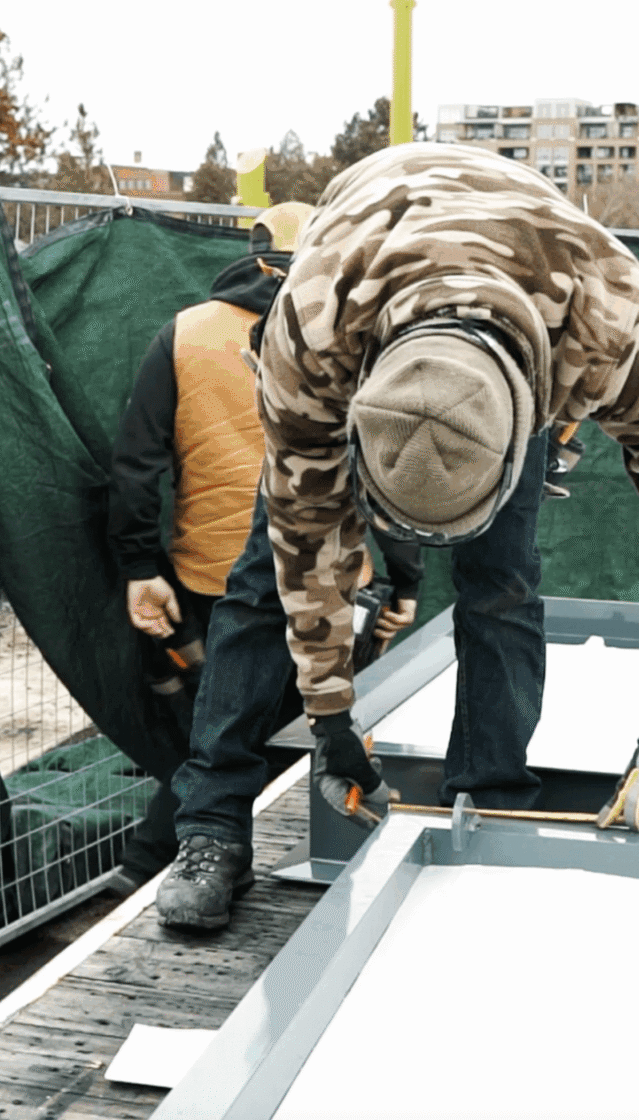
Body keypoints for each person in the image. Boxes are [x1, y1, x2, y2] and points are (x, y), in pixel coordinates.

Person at [155, 143, 639, 930]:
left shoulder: (609, 323)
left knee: (501, 582)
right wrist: (333, 721)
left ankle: (491, 798)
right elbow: (309, 548)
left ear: (523, 441)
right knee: (267, 572)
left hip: (529, 305)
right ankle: (210, 827)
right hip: (371, 281)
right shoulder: (311, 333)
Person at [103, 201, 422, 898]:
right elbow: (389, 471)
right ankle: (170, 857)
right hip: (335, 583)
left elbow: (135, 467)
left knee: (221, 729)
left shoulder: (186, 334)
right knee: (288, 731)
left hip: (209, 580)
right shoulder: (361, 343)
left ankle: (163, 860)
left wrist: (138, 567)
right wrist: (403, 582)